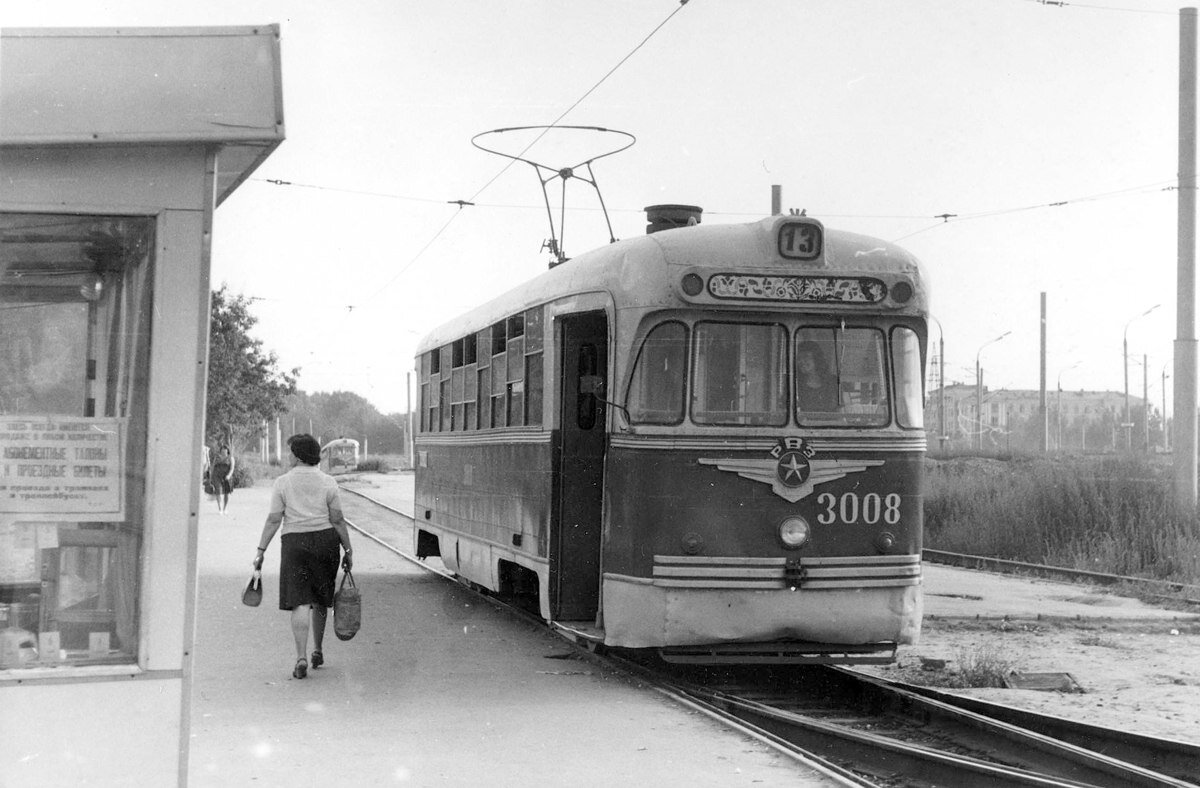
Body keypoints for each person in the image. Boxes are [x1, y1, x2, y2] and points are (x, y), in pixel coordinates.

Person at [252, 434, 353, 680]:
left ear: (297, 455)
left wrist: (261, 550)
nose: (288, 456)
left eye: (290, 452)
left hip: (295, 543)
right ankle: (318, 650)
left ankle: (301, 657)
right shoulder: (329, 482)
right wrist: (348, 550)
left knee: (300, 601)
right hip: (325, 542)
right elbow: (338, 519)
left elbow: (274, 519)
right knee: (320, 600)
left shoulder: (282, 483)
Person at [795, 342, 841, 412]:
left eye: (806, 357)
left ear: (817, 359)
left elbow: (840, 409)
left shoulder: (833, 382)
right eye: (799, 358)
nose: (801, 361)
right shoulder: (794, 383)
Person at [211, 445, 235, 513]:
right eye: (222, 451)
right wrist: (210, 476)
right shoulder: (217, 457)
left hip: (226, 477)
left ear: (227, 451)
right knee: (218, 491)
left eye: (224, 451)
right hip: (217, 476)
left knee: (226, 493)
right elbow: (213, 467)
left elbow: (232, 468)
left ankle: (225, 508)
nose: (223, 452)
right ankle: (220, 508)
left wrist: (229, 475)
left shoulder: (231, 458)